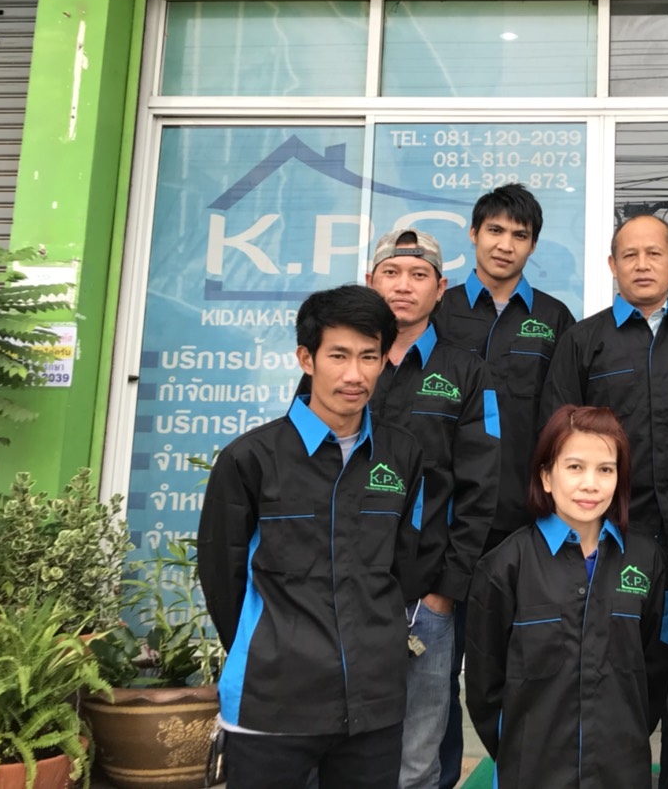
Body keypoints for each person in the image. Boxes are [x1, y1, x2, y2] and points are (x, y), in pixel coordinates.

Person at [541, 212, 668, 789]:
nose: (642, 264)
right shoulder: (583, 342)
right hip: (609, 541)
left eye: (654, 253)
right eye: (629, 255)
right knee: (615, 676)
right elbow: (558, 437)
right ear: (612, 266)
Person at [198, 285, 426, 789]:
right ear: (307, 358)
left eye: (369, 356)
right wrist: (275, 649)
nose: (354, 374)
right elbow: (222, 579)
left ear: (384, 360)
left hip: (373, 703)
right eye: (338, 355)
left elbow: (406, 563)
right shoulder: (250, 460)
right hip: (273, 702)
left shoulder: (402, 456)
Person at [430, 184, 577, 789]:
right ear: (473, 234)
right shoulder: (438, 311)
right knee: (436, 669)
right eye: (495, 231)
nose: (505, 244)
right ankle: (438, 778)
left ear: (532, 246)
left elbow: (562, 424)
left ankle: (519, 774)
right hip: (442, 526)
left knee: (523, 667)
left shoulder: (554, 320)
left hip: (521, 526)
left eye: (519, 235)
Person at [465, 404, 668, 788]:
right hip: (532, 773)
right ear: (546, 476)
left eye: (605, 470)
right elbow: (484, 688)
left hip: (620, 772)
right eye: (575, 467)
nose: (590, 484)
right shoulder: (505, 566)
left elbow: (655, 673)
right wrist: (520, 751)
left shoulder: (646, 560)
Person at [366, 228, 502, 789]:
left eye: (418, 275)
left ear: (441, 288)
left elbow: (480, 488)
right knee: (342, 736)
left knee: (419, 756)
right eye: (391, 273)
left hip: (425, 594)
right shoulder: (343, 364)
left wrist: (446, 589)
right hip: (346, 585)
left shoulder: (466, 372)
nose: (404, 285)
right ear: (371, 282)